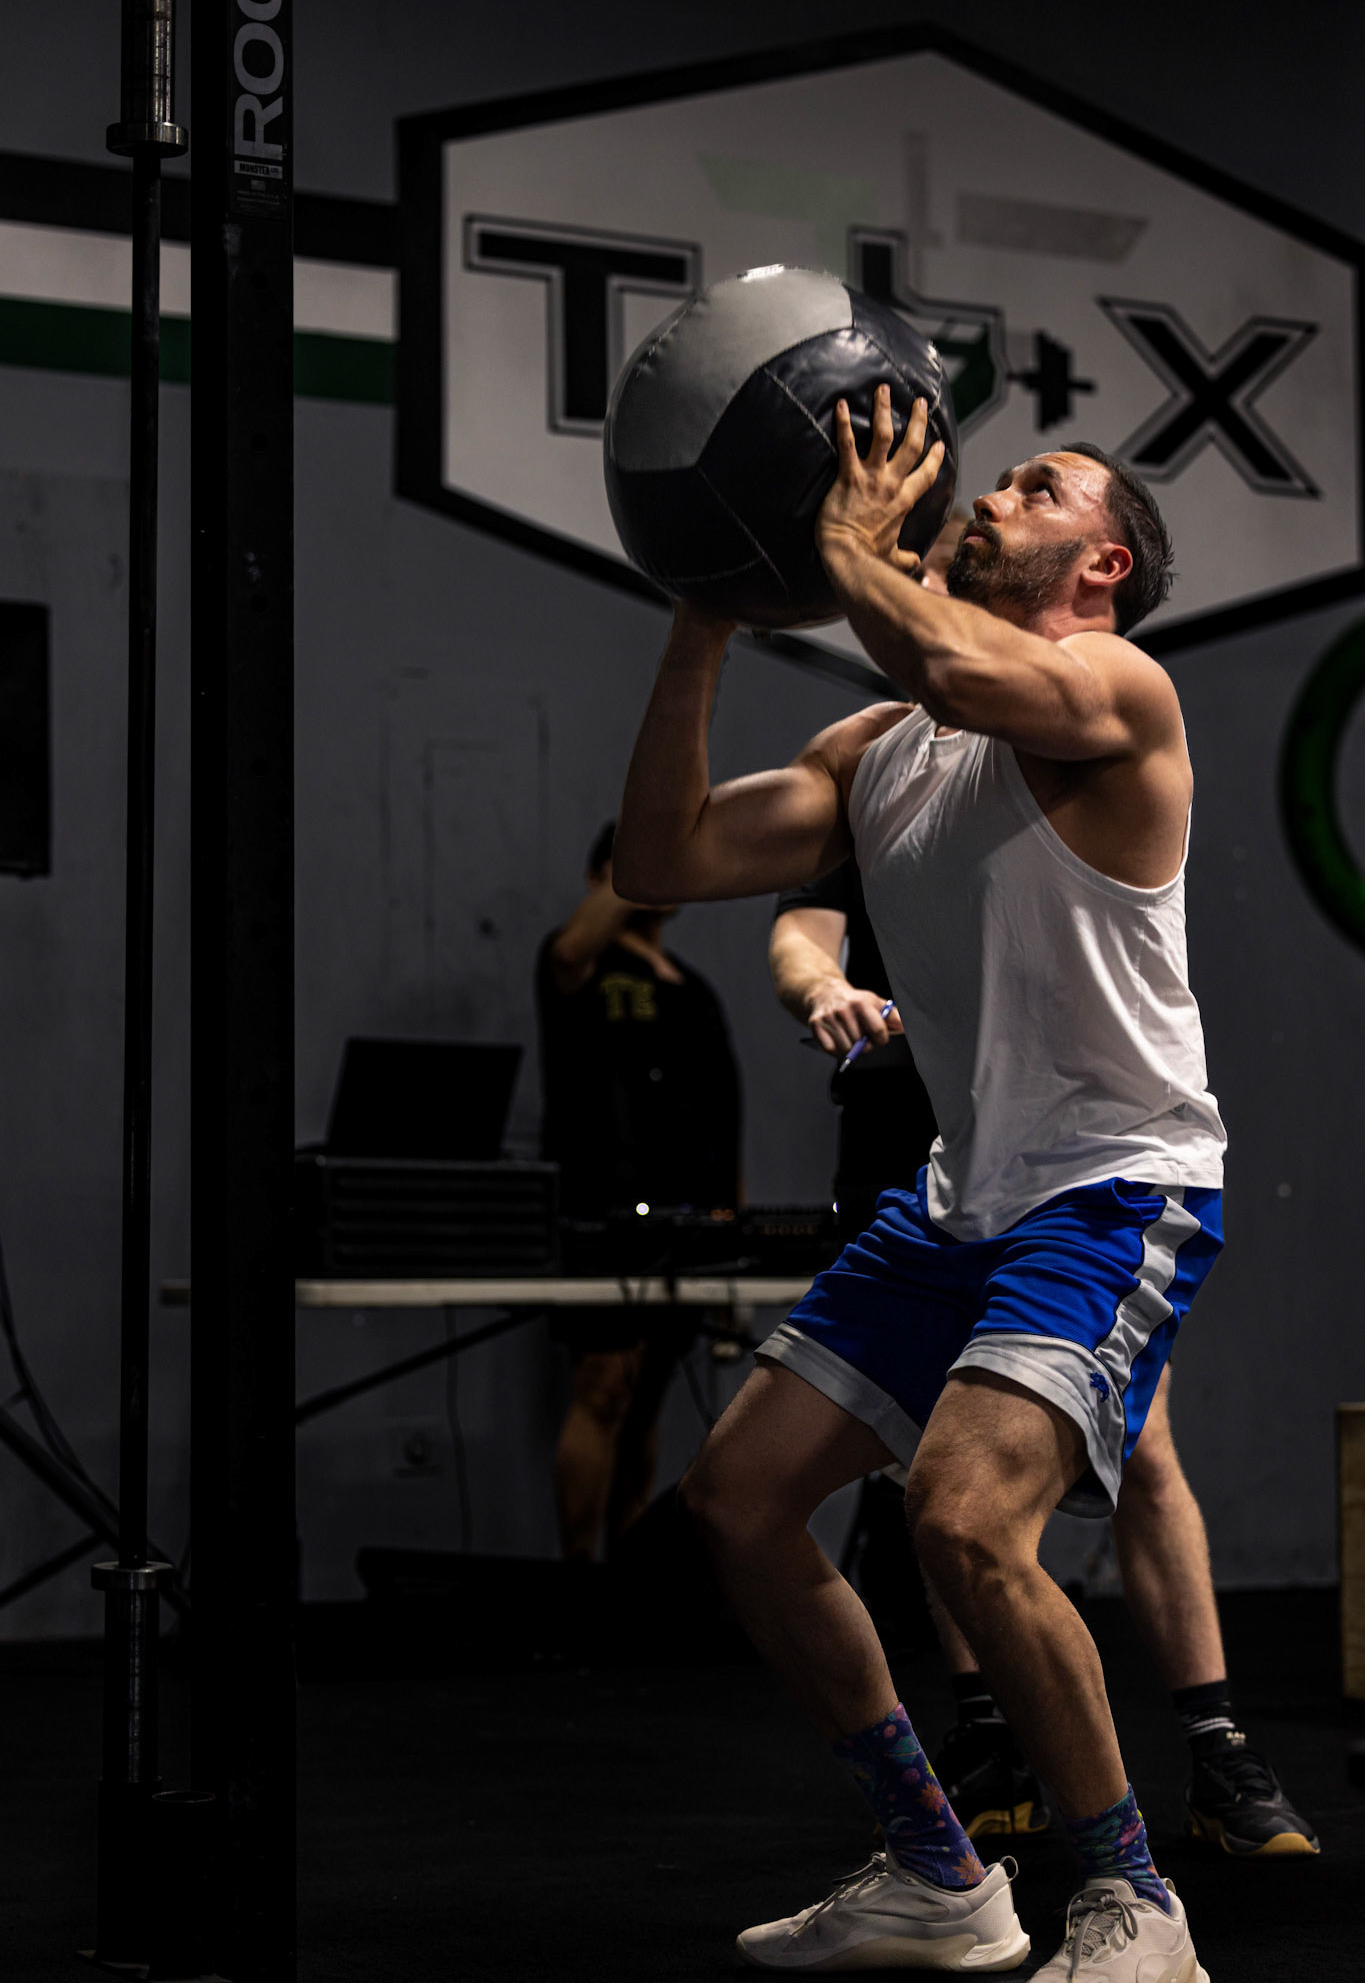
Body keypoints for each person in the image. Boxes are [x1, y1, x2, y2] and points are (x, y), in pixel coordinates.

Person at [614, 392, 1233, 1980]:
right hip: (964, 1193)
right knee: (738, 1501)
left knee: (964, 1519)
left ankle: (1133, 1905)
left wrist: (839, 545)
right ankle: (939, 1871)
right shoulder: (881, 748)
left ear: (1100, 565)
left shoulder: (1117, 689)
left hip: (1113, 1183)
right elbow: (663, 859)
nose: (990, 492)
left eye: (1035, 487)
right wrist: (707, 613)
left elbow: (963, 667)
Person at [769, 679, 1317, 1868]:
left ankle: (1215, 1746)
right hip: (914, 1150)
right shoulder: (879, 758)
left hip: (1067, 1155)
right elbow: (800, 921)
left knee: (1140, 1446)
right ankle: (988, 1740)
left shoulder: (1055, 732)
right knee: (935, 1468)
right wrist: (825, 988)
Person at [537, 820, 741, 1563]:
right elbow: (569, 951)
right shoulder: (581, 963)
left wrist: (731, 1229)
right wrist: (641, 859)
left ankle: (625, 1576)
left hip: (687, 1221)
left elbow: (727, 1119)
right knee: (604, 1386)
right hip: (603, 1213)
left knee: (648, 1397)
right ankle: (579, 1573)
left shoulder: (693, 989)